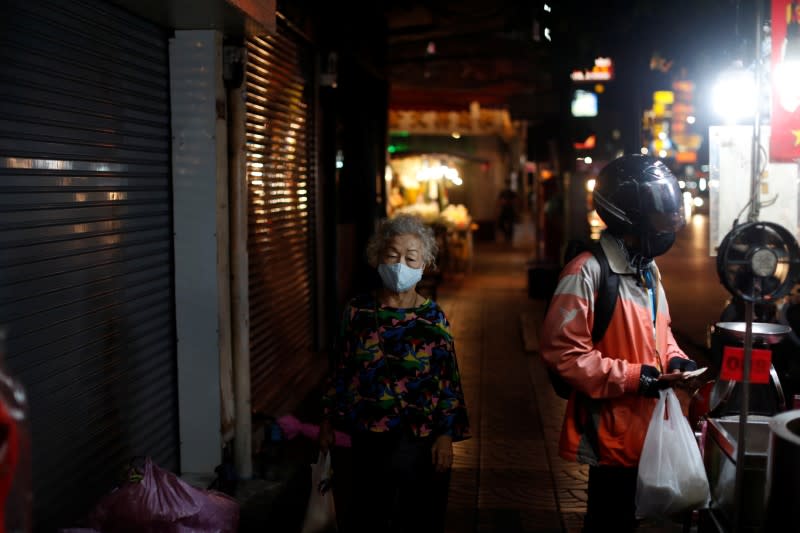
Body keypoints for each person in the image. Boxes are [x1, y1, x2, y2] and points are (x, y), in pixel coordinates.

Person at [539, 154, 702, 532]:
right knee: (608, 520)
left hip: (649, 430)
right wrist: (635, 378)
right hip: (609, 434)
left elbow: (661, 331)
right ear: (630, 217)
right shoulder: (585, 272)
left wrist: (677, 361)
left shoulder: (648, 268)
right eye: (658, 217)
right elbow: (562, 352)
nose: (666, 227)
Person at [318, 213, 470, 533]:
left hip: (419, 441)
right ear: (377, 259)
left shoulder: (433, 317)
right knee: (365, 518)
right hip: (365, 440)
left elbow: (448, 380)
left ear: (424, 264)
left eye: (410, 257)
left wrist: (445, 436)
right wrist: (328, 421)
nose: (400, 264)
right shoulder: (357, 311)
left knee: (418, 520)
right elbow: (339, 368)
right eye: (392, 256)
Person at [496, 177, 521, 243]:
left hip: (510, 210)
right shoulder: (503, 192)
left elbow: (516, 201)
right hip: (504, 209)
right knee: (500, 224)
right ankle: (507, 235)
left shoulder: (512, 192)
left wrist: (511, 203)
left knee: (511, 225)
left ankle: (509, 237)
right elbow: (499, 201)